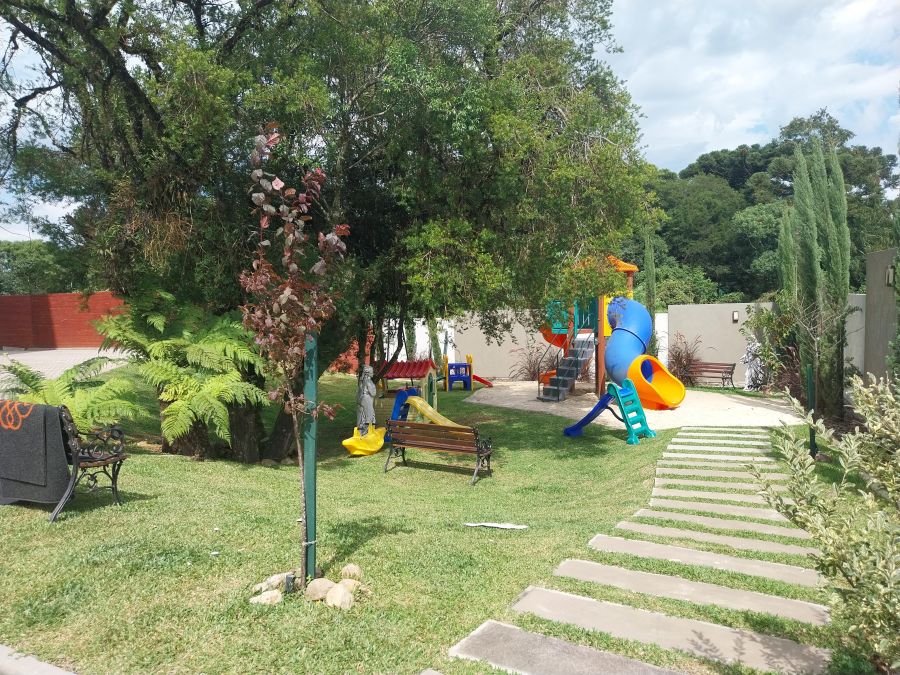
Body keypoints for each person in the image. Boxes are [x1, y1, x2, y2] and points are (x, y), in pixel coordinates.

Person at [356, 365, 377, 434]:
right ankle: (366, 432)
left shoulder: (362, 381)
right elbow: (373, 393)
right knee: (369, 414)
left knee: (362, 414)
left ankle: (362, 431)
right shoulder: (368, 382)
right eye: (372, 372)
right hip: (367, 399)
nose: (373, 373)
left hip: (363, 399)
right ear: (368, 373)